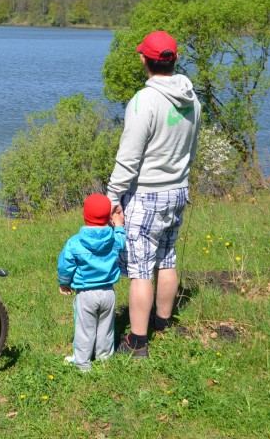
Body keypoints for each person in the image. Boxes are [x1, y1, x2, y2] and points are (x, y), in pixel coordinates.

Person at [106, 30, 202, 357]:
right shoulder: (193, 100)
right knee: (168, 257)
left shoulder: (144, 101)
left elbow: (128, 159)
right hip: (177, 191)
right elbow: (190, 150)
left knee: (140, 268)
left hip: (146, 195)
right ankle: (163, 322)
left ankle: (137, 341)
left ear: (144, 60)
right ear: (173, 60)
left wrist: (112, 198)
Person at [58, 193, 126, 371]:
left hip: (86, 294)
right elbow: (121, 239)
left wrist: (64, 283)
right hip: (108, 292)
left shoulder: (75, 243)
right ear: (108, 217)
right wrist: (118, 224)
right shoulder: (113, 240)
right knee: (106, 328)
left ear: (84, 215)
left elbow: (65, 265)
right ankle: (104, 359)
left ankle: (83, 363)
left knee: (84, 329)